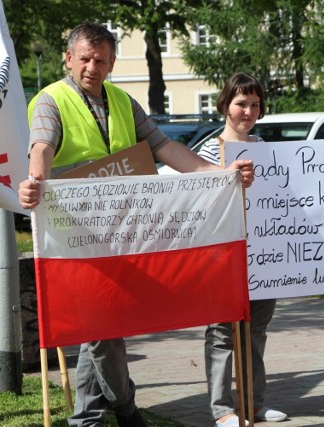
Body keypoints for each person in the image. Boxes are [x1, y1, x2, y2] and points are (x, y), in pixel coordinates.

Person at [17, 23, 254, 427]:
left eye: (102, 61)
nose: (93, 67)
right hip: (75, 234)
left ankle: (87, 416)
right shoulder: (49, 100)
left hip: (122, 232)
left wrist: (220, 173)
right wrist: (35, 181)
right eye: (86, 59)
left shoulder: (124, 102)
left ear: (111, 64)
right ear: (69, 58)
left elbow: (164, 147)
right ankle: (125, 408)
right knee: (101, 328)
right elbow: (41, 146)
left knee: (107, 323)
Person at [198, 72, 287, 427]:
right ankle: (223, 409)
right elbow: (201, 202)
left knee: (255, 331)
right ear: (225, 105)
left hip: (261, 257)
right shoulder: (207, 150)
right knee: (221, 333)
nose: (247, 111)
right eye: (240, 104)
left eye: (254, 104)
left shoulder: (264, 148)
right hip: (221, 258)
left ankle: (253, 404)